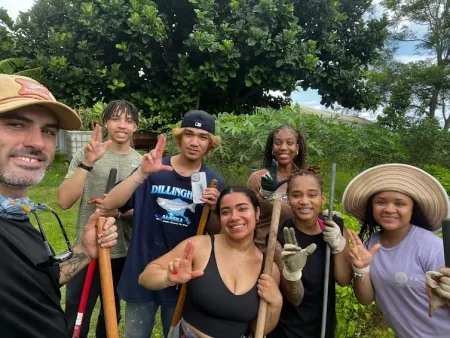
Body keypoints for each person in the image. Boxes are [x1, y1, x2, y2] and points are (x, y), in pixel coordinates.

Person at [0, 74, 118, 338]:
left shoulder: (15, 214)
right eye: (16, 124)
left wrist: (84, 251)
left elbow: (40, 282)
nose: (38, 142)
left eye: (48, 131)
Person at [102, 110, 225, 338]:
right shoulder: (155, 170)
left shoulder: (213, 182)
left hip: (181, 277)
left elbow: (215, 233)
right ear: (180, 137)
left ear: (210, 144)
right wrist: (141, 173)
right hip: (141, 270)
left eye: (203, 137)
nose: (194, 142)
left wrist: (216, 208)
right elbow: (111, 202)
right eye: (189, 134)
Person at [138, 186, 283, 338]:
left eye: (242, 209)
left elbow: (259, 330)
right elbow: (145, 278)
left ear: (257, 213)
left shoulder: (268, 269)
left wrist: (276, 303)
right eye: (225, 212)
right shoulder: (200, 246)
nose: (234, 217)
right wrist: (167, 278)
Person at [57, 100, 142, 337]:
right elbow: (64, 201)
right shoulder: (87, 155)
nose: (122, 125)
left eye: (129, 120)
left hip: (121, 252)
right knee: (74, 314)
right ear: (105, 122)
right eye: (116, 118)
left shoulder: (141, 164)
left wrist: (119, 211)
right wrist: (88, 162)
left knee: (111, 316)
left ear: (135, 126)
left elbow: (145, 212)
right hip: (86, 248)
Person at [343, 163, 450, 337]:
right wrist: (361, 269)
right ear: (372, 206)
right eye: (381, 202)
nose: (389, 209)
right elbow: (365, 299)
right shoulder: (370, 246)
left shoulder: (430, 246)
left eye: (400, 203)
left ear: (412, 208)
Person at [268, 168, 352, 338]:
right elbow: (295, 298)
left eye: (312, 195)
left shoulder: (333, 227)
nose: (304, 201)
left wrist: (339, 246)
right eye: (296, 195)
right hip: (287, 330)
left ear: (322, 198)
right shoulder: (280, 233)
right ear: (288, 199)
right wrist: (292, 273)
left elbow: (343, 280)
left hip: (322, 326)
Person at [247, 125, 307, 251]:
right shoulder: (259, 178)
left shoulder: (306, 179)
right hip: (262, 251)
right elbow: (247, 216)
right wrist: (265, 193)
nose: (283, 147)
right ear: (272, 148)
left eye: (290, 143)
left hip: (296, 253)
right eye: (278, 143)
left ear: (297, 148)